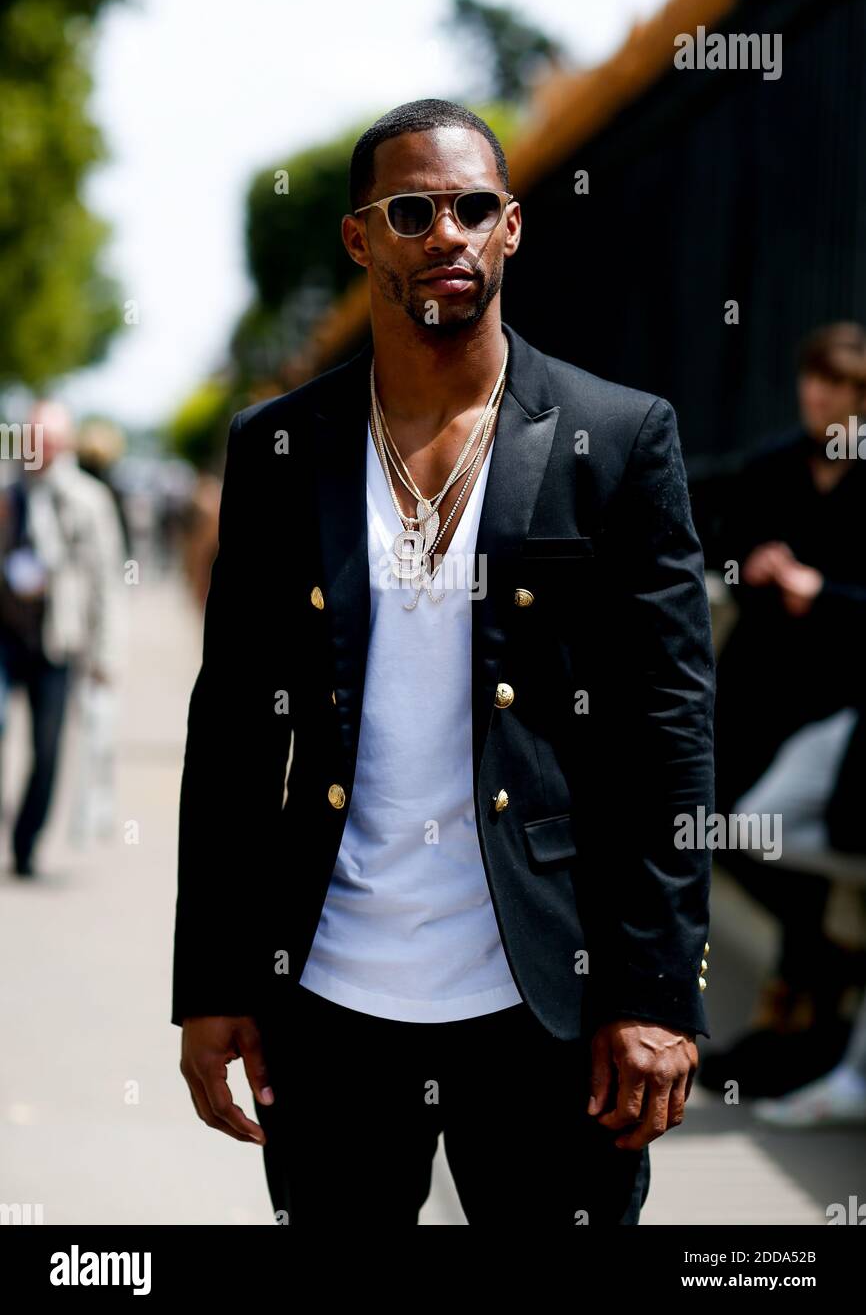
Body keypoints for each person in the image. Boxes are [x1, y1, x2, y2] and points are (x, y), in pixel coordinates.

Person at [172, 98, 716, 1226]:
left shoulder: (614, 439)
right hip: (327, 1002)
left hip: (552, 1004)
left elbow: (668, 733)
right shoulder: (278, 451)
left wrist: (657, 990)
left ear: (512, 228)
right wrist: (214, 979)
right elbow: (233, 726)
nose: (447, 234)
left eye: (473, 208)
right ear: (359, 238)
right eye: (411, 209)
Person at [705, 325, 866, 1091]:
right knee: (722, 828)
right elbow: (724, 556)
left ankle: (797, 1006)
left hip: (832, 701)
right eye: (812, 380)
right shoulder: (771, 463)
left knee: (794, 836)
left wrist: (820, 592)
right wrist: (757, 569)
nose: (817, 397)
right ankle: (812, 978)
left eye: (835, 386)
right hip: (756, 688)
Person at [0, 401, 126, 876]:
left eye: (46, 440)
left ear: (63, 445)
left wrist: (105, 655)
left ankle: (25, 840)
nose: (37, 449)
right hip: (6, 637)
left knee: (47, 750)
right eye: (31, 439)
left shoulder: (88, 500)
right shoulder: (8, 492)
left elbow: (109, 582)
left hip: (55, 640)